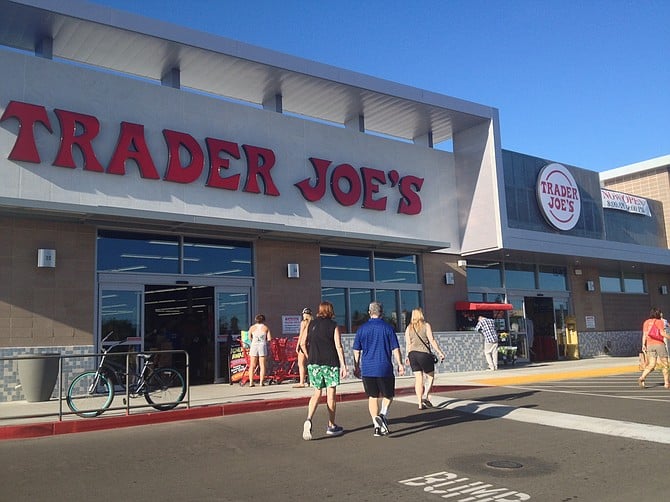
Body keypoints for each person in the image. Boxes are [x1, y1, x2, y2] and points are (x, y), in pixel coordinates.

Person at [353, 301, 405, 437]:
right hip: (384, 368)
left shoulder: (362, 329)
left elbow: (356, 350)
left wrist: (356, 366)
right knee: (388, 395)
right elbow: (395, 348)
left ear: (369, 312)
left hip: (368, 369)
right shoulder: (388, 328)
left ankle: (376, 426)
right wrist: (400, 364)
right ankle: (382, 415)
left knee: (372, 396)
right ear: (381, 312)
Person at [300, 301, 347, 440]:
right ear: (330, 311)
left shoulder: (311, 324)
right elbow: (338, 346)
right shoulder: (333, 325)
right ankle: (331, 425)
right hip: (330, 362)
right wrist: (343, 365)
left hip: (314, 363)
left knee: (316, 393)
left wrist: (309, 356)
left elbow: (302, 343)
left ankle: (308, 419)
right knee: (330, 395)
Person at [404, 308, 445, 410]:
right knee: (430, 376)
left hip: (412, 354)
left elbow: (408, 344)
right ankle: (425, 395)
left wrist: (407, 356)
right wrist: (440, 352)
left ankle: (419, 403)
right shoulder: (426, 326)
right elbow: (432, 340)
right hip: (424, 354)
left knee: (418, 379)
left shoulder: (409, 328)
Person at [639, 307, 670, 389]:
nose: (661, 314)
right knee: (665, 364)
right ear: (657, 314)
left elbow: (644, 335)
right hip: (659, 344)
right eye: (660, 313)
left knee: (651, 364)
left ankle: (642, 377)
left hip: (649, 345)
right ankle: (666, 383)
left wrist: (643, 345)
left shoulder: (646, 322)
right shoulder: (660, 322)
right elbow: (662, 333)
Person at [247, 314, 272, 387]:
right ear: (263, 320)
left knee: (252, 365)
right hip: (262, 346)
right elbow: (269, 338)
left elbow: (249, 337)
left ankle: (251, 382)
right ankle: (261, 382)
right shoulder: (265, 328)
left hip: (254, 346)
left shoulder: (252, 328)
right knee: (262, 365)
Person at [293, 307, 313, 388]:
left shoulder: (303, 323)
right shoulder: (313, 323)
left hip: (304, 344)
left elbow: (301, 335)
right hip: (311, 344)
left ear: (304, 314)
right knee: (310, 363)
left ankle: (302, 382)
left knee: (301, 364)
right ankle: (311, 380)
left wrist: (297, 345)